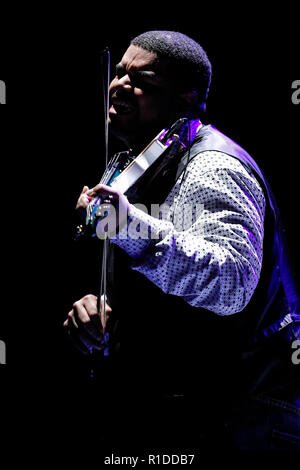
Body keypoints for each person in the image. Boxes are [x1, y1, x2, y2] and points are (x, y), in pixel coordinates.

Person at [64, 31, 300, 451]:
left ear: (186, 97)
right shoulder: (138, 163)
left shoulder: (212, 164)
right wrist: (102, 307)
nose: (119, 85)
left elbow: (231, 282)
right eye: (119, 73)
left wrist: (128, 227)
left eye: (144, 81)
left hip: (244, 416)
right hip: (191, 411)